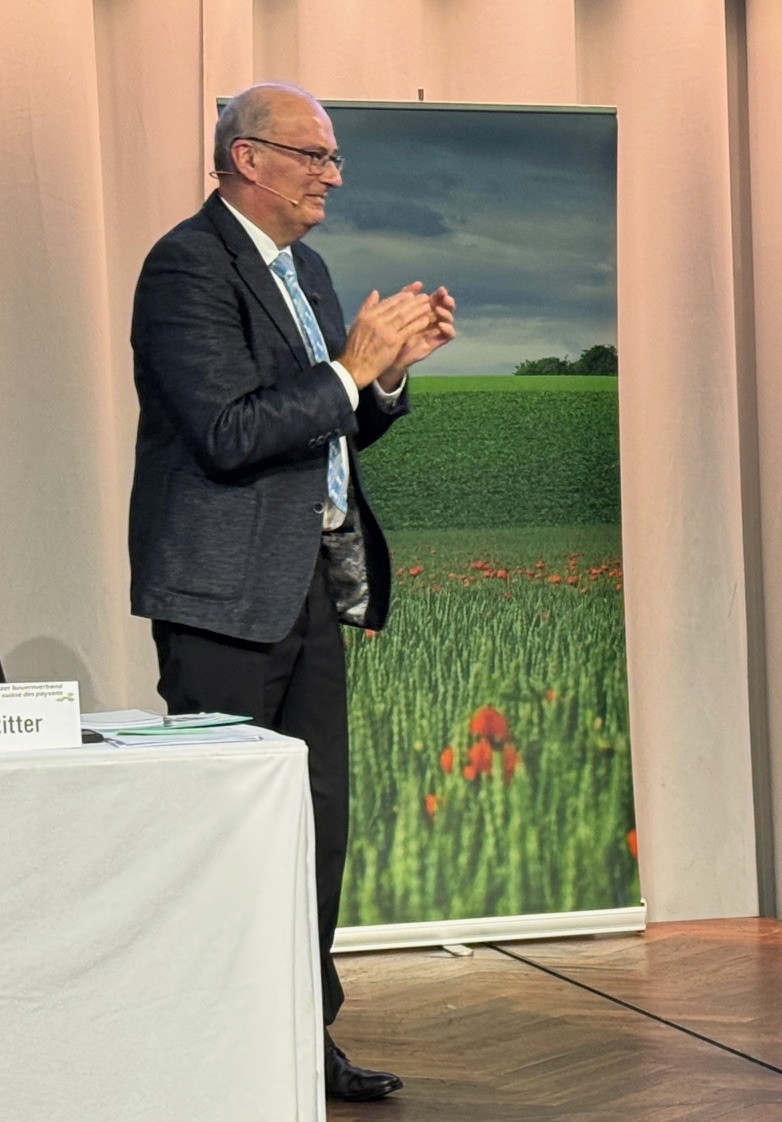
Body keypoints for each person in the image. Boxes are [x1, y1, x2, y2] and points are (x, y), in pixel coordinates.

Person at [128, 82, 455, 1103]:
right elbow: (228, 433)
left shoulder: (303, 269)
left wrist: (385, 378)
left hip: (306, 586)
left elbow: (329, 423)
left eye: (335, 157)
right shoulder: (187, 266)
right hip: (221, 598)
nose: (332, 175)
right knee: (226, 836)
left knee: (315, 827)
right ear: (246, 159)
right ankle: (216, 1044)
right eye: (313, 155)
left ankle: (301, 1041)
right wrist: (348, 368)